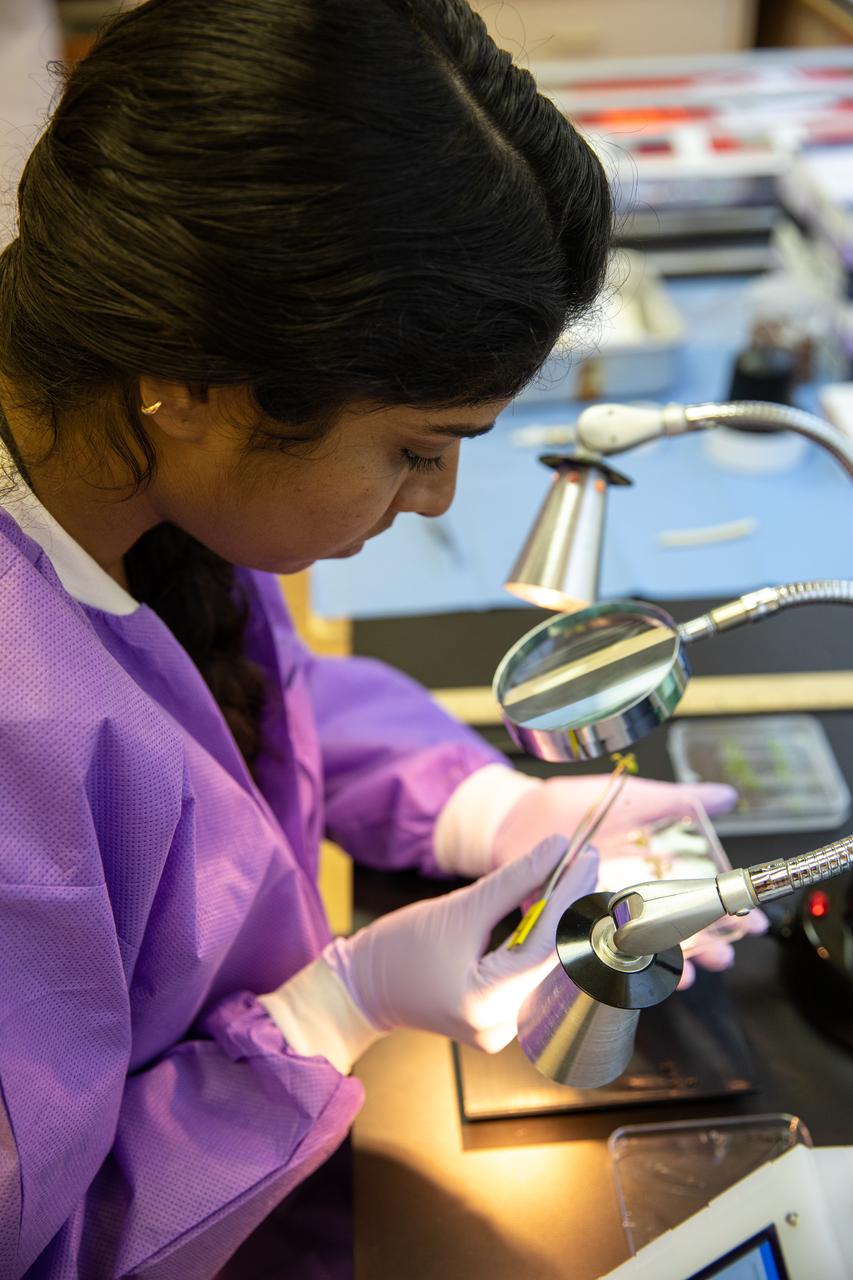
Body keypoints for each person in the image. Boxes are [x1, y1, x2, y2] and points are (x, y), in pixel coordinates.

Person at [0, 2, 749, 1275]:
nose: (443, 500)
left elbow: (221, 720)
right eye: (416, 446)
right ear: (199, 380)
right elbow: (45, 1240)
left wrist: (481, 805)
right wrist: (325, 1014)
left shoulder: (110, 457)